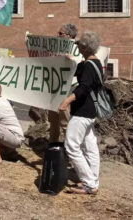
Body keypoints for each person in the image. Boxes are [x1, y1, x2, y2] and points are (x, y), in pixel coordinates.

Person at [58, 31, 102, 195]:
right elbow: (84, 76)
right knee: (90, 147)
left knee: (71, 146)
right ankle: (93, 180)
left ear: (84, 48)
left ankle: (89, 184)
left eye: (79, 46)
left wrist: (66, 101)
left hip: (82, 112)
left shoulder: (88, 67)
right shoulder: (96, 63)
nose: (78, 48)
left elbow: (83, 88)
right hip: (91, 112)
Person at [28, 23, 78, 143]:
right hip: (53, 89)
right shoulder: (55, 48)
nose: (57, 35)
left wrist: (71, 59)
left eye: (60, 33)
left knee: (65, 121)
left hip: (66, 90)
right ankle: (53, 145)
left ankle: (71, 148)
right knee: (53, 121)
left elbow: (80, 65)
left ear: (69, 36)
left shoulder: (77, 49)